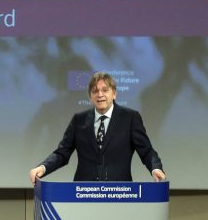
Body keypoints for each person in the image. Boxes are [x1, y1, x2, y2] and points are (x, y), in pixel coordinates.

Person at [29, 72, 167, 184]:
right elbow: (62, 153)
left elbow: (147, 151)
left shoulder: (130, 118)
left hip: (120, 194)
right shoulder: (79, 120)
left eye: (105, 90)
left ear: (114, 94)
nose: (100, 94)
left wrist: (155, 168)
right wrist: (43, 167)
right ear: (90, 96)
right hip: (84, 193)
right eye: (95, 91)